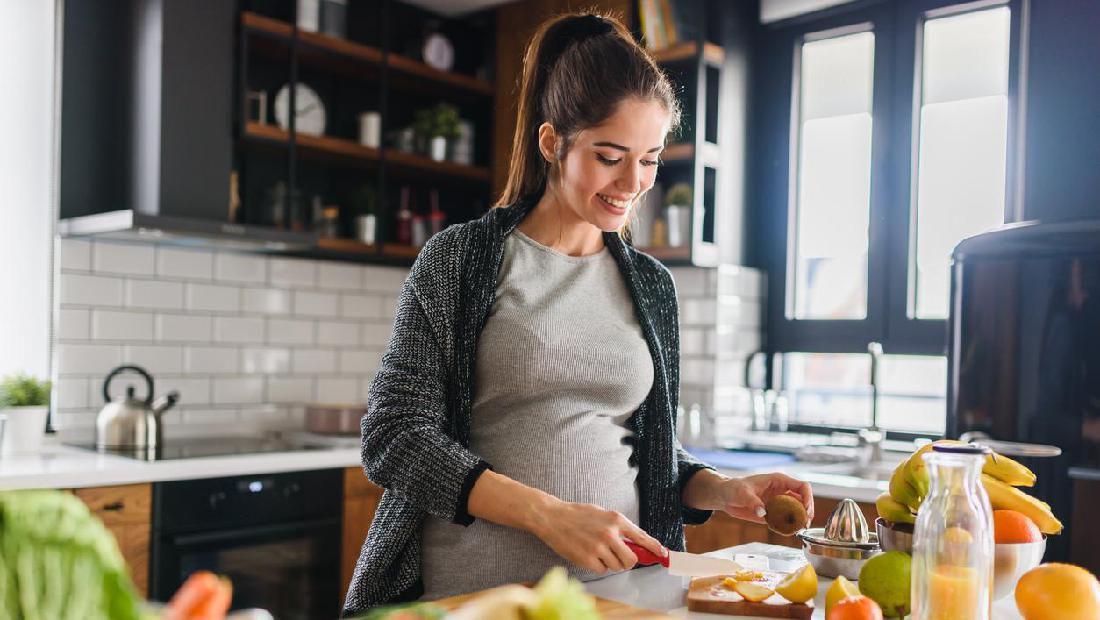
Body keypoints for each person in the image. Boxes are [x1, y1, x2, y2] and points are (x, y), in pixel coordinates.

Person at [341, 11, 814, 614]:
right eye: (610, 156)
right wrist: (549, 516)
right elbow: (395, 436)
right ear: (551, 143)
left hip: (615, 598)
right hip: (476, 597)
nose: (633, 182)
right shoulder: (462, 259)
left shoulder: (652, 286)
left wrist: (721, 489)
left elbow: (647, 453)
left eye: (650, 159)